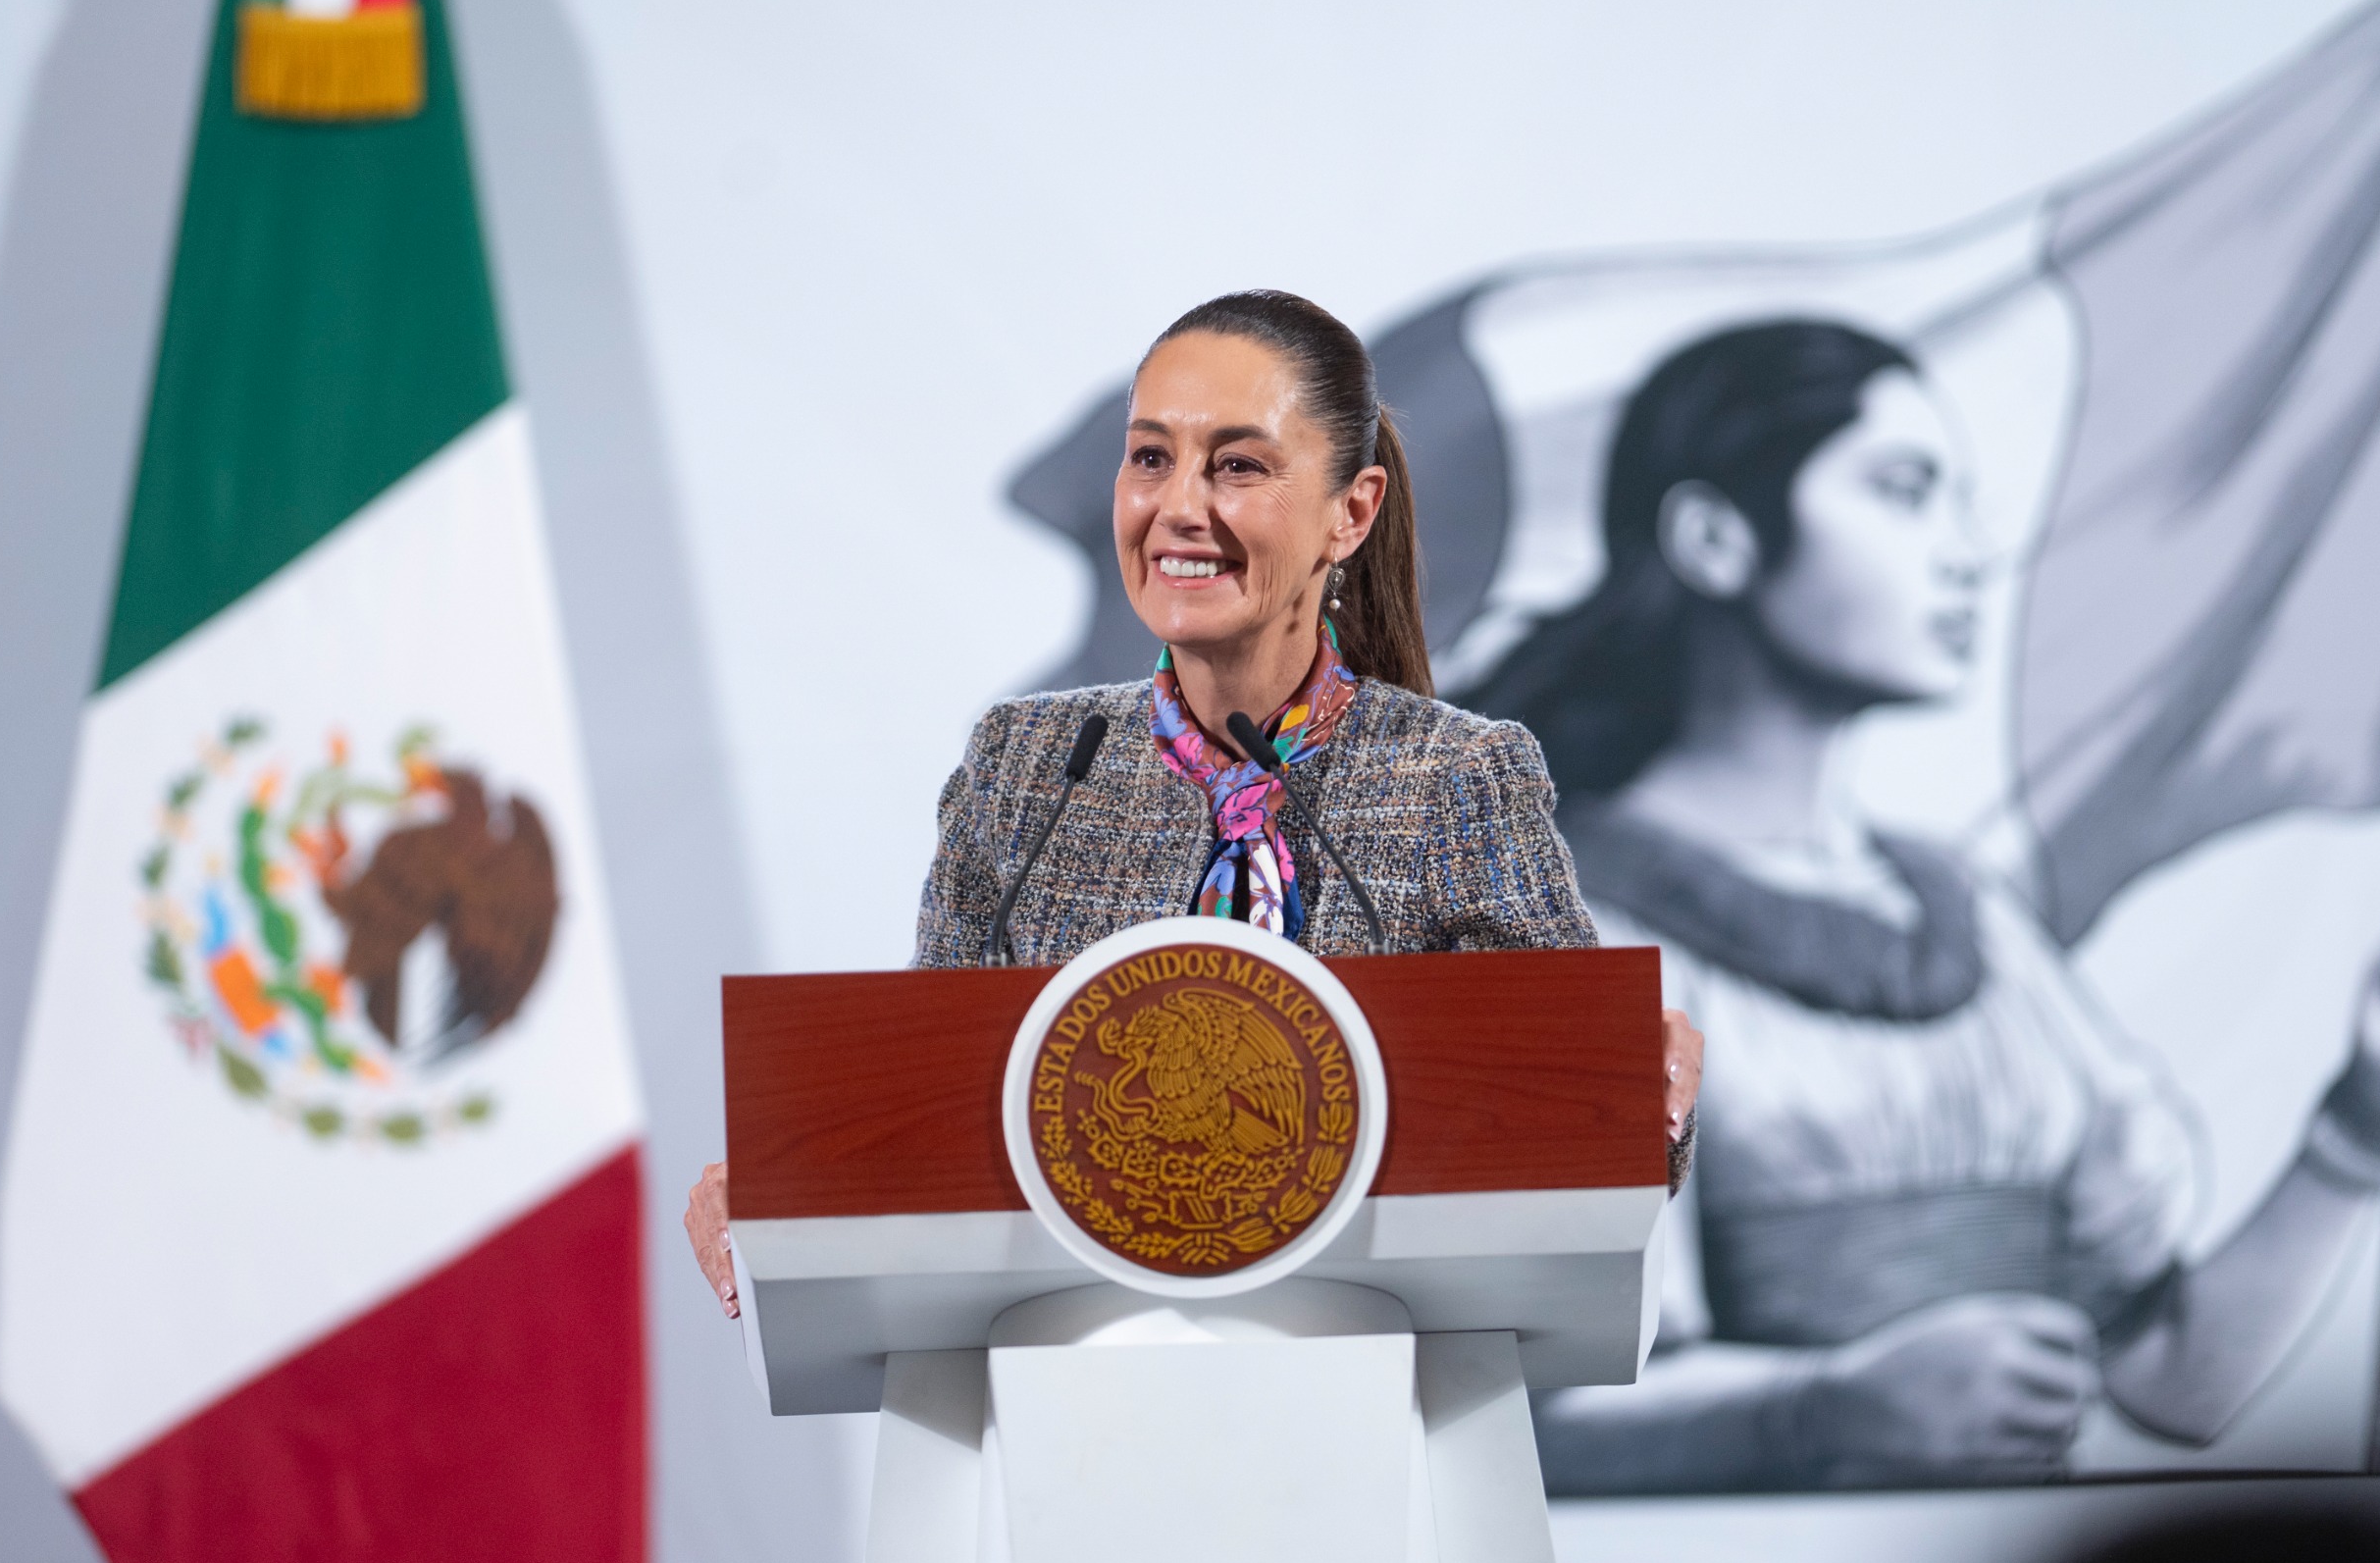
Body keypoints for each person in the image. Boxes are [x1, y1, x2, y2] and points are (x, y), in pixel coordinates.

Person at [1463, 317, 2380, 1490]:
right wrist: (1818, 1410)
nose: (1964, 552)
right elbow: (1519, 1414)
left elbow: (2172, 1377)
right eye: (1903, 491)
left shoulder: (1973, 922)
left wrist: (2364, 1109)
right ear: (1714, 537)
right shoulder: (1549, 927)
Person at [683, 289, 1706, 1318]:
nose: (1177, 506)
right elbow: (935, 1113)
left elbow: (1587, 1152)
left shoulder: (1454, 776)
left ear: (1349, 512)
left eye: (1238, 465)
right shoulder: (1028, 767)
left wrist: (1641, 1091)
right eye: (1149, 458)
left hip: (1375, 1395)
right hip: (1080, 1403)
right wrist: (785, 1188)